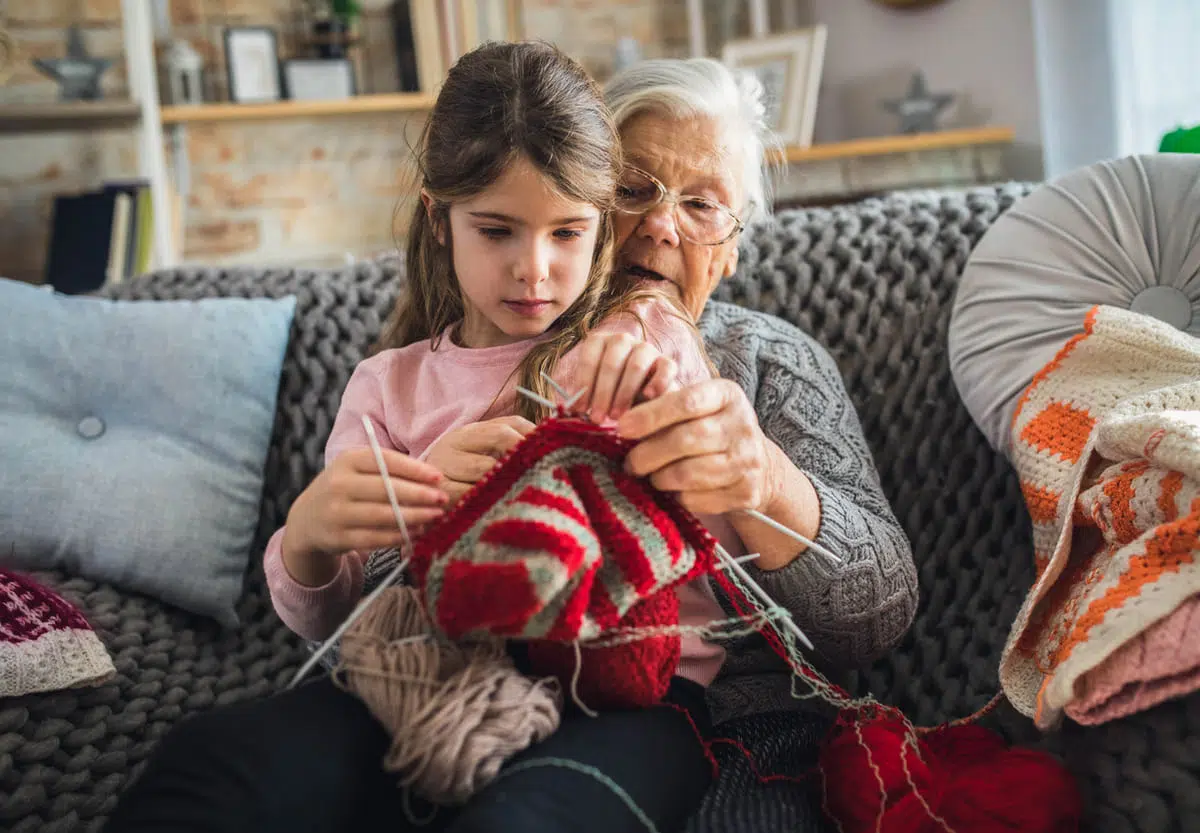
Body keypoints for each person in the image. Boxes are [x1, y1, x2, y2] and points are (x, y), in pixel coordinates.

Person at [103, 40, 722, 833]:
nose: (534, 270)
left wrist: (655, 405)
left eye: (567, 233)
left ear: (603, 227)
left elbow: (715, 513)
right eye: (497, 230)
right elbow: (333, 615)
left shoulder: (641, 335)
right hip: (429, 676)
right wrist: (314, 535)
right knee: (211, 764)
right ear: (439, 218)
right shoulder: (389, 385)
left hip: (635, 696)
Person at [426, 58, 921, 831]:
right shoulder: (498, 346)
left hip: (748, 728)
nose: (662, 225)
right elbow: (389, 586)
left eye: (702, 205)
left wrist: (766, 481)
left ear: (728, 250)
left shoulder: (770, 360)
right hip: (512, 709)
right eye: (633, 189)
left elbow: (878, 618)